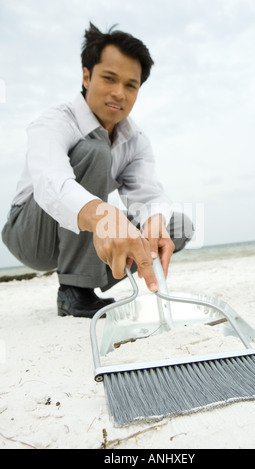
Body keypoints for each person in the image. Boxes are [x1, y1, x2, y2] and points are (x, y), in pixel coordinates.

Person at [2, 23, 194, 318]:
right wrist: (106, 216)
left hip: (80, 240)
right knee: (94, 150)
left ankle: (86, 276)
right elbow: (50, 182)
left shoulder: (136, 139)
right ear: (86, 75)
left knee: (177, 226)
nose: (119, 93)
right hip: (32, 235)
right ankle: (74, 290)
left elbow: (149, 193)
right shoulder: (55, 122)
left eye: (131, 85)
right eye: (109, 79)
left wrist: (153, 223)